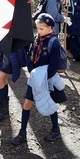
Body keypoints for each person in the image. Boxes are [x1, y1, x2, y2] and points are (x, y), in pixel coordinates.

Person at [11, 13, 64, 145]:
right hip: (35, 78)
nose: (38, 32)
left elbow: (54, 65)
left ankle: (55, 129)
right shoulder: (37, 39)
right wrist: (32, 71)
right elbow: (30, 56)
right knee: (27, 103)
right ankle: (22, 133)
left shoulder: (54, 42)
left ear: (50, 28)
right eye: (37, 29)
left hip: (47, 79)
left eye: (41, 29)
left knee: (49, 102)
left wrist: (44, 78)